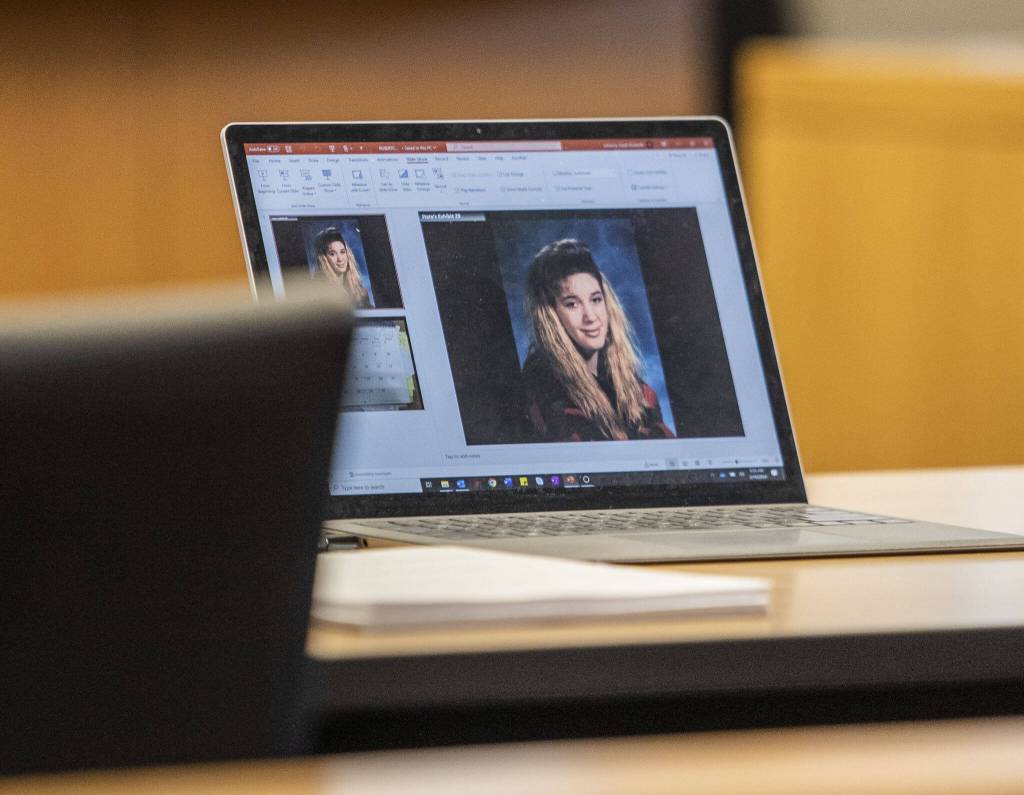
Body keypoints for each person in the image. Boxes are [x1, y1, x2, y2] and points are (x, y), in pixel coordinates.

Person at [522, 238, 674, 442]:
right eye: (572, 304)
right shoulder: (546, 399)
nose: (591, 316)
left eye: (595, 300)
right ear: (552, 316)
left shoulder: (640, 392)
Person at [312, 227, 370, 308]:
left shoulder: (361, 292)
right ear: (323, 258)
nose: (340, 259)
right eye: (332, 254)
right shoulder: (318, 293)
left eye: (342, 252)